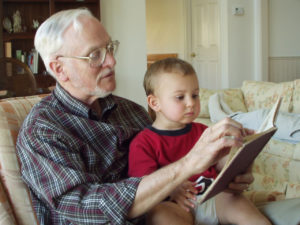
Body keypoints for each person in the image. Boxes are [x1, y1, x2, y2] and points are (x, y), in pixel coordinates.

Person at [16, 8, 254, 225]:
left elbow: (165, 161)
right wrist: (188, 164)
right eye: (94, 55)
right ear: (60, 69)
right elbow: (80, 209)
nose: (112, 61)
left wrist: (231, 171)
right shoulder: (43, 129)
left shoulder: (130, 111)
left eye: (109, 48)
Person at [128, 58, 271, 225]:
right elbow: (142, 188)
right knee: (159, 214)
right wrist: (172, 189)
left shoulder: (203, 132)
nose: (191, 103)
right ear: (155, 103)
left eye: (195, 95)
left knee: (236, 201)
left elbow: (221, 165)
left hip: (213, 198)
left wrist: (241, 150)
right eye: (180, 97)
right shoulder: (143, 142)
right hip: (176, 205)